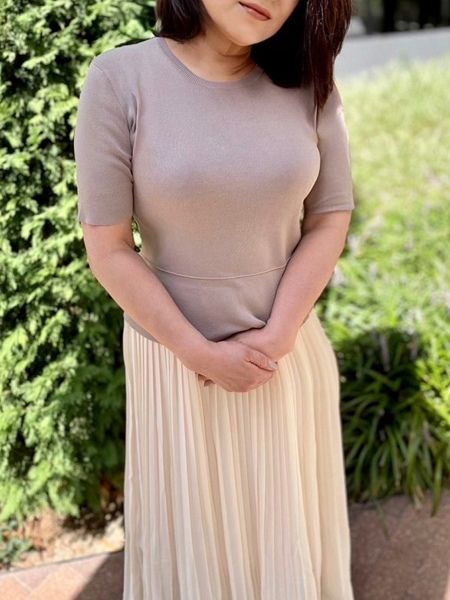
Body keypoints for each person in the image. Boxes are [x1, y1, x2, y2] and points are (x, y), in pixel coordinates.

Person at [74, 0, 355, 597]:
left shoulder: (310, 82)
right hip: (176, 370)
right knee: (196, 550)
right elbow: (109, 247)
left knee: (286, 540)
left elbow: (331, 215)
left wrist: (278, 335)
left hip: (285, 360)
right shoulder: (119, 80)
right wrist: (199, 353)